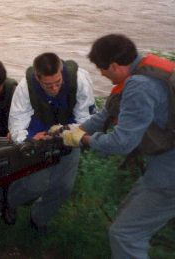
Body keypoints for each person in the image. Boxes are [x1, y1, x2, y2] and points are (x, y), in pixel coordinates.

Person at [62, 34, 175, 258]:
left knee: (126, 234)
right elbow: (105, 115)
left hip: (169, 173)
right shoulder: (143, 68)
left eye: (101, 69)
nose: (101, 74)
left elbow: (121, 143)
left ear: (114, 65)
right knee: (125, 218)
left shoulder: (139, 86)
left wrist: (84, 140)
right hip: (162, 168)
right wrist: (75, 130)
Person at [5, 52, 95, 233]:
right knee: (33, 186)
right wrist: (28, 140)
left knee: (63, 187)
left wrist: (65, 132)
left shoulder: (80, 80)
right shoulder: (25, 87)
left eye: (57, 83)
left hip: (69, 137)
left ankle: (38, 219)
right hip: (38, 138)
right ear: (38, 79)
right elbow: (16, 121)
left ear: (61, 71)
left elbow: (87, 118)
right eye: (48, 85)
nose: (54, 88)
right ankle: (8, 203)